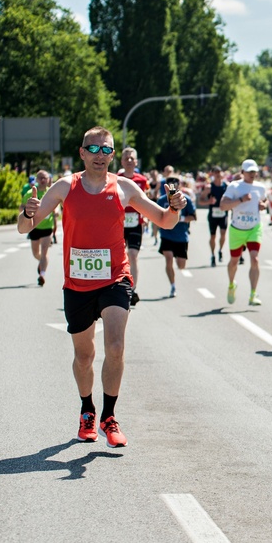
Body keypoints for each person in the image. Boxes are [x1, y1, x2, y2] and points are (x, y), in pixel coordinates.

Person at [18, 126, 187, 448]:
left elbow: (164, 221)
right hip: (78, 284)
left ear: (113, 154)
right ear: (82, 153)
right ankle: (87, 410)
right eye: (93, 149)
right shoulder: (65, 187)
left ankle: (109, 416)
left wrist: (176, 207)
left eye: (106, 150)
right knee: (84, 356)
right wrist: (26, 214)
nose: (100, 155)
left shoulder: (124, 188)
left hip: (115, 279)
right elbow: (25, 226)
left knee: (115, 347)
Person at [221, 159, 268, 306]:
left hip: (254, 227)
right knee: (234, 261)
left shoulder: (260, 188)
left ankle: (253, 294)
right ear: (242, 172)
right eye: (249, 172)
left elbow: (265, 201)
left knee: (255, 259)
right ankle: (231, 284)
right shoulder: (234, 186)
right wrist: (240, 200)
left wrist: (263, 205)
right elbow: (223, 206)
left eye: (254, 171)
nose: (252, 174)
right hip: (237, 229)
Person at [119, 148, 150, 305]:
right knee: (118, 257)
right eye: (126, 158)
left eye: (132, 158)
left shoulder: (142, 180)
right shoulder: (116, 179)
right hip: (118, 223)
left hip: (135, 223)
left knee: (132, 254)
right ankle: (116, 286)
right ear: (122, 161)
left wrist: (146, 215)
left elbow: (146, 199)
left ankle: (133, 289)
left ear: (136, 162)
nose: (129, 160)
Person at [157, 175, 197, 298]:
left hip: (181, 236)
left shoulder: (186, 200)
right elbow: (157, 217)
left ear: (179, 185)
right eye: (170, 183)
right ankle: (173, 286)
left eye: (175, 183)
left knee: (181, 265)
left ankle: (176, 266)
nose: (173, 185)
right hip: (166, 235)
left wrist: (181, 218)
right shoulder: (161, 200)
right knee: (168, 258)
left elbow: (194, 217)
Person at [20, 170, 57, 286]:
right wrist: (26, 212)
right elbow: (22, 207)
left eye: (45, 178)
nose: (42, 180)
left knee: (45, 251)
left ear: (48, 180)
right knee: (36, 253)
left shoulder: (52, 193)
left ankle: (42, 275)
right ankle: (41, 262)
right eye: (40, 177)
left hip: (47, 227)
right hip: (34, 227)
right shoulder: (30, 193)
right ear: (36, 180)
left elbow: (57, 208)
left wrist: (56, 212)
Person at [198, 166, 229, 267]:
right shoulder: (209, 188)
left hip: (223, 213)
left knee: (223, 234)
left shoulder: (226, 186)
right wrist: (209, 202)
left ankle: (220, 250)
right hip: (213, 214)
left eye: (219, 172)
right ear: (212, 174)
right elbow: (200, 201)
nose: (218, 174)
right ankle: (212, 254)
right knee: (213, 236)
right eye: (216, 172)